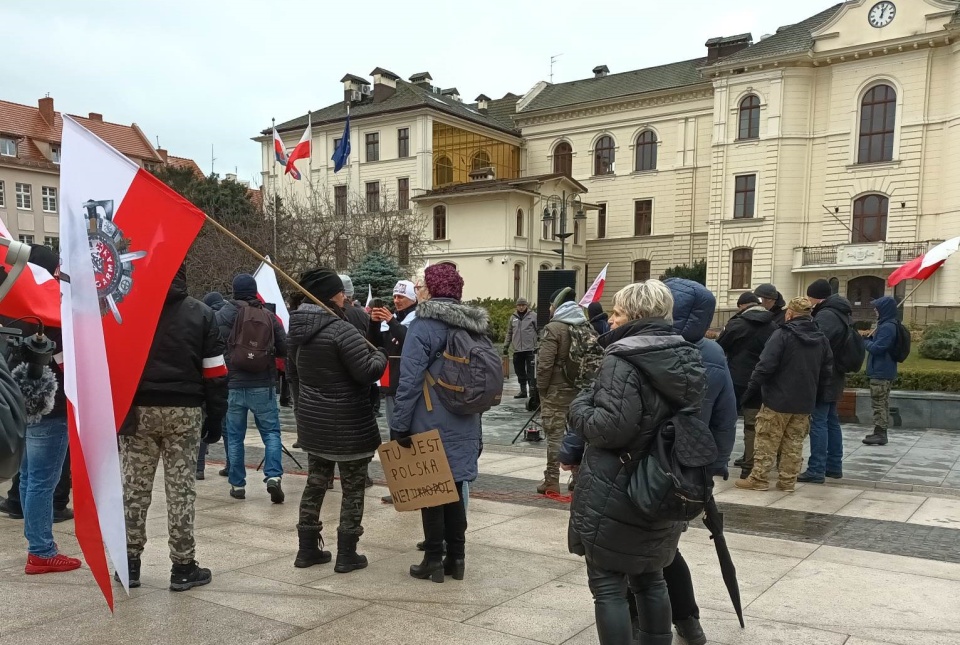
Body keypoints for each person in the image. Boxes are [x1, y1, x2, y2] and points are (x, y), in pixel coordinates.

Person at [565, 280, 705, 645]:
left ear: (636, 315)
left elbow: (609, 429)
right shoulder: (686, 354)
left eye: (617, 312)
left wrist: (579, 406)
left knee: (608, 585)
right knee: (650, 576)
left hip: (619, 486)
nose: (610, 320)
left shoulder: (622, 359)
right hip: (661, 482)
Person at [118, 265, 228, 590]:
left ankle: (130, 564)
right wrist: (216, 420)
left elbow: (116, 362)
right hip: (186, 410)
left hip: (139, 411)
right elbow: (216, 373)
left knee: (134, 489)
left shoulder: (131, 310)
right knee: (181, 490)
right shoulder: (203, 314)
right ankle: (183, 566)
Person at [286, 268, 386, 573]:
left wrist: (303, 411)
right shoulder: (341, 331)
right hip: (349, 425)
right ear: (331, 296)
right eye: (340, 292)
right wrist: (380, 356)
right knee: (353, 488)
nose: (345, 296)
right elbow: (366, 373)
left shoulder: (297, 330)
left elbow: (293, 376)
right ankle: (347, 554)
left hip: (314, 423)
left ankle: (306, 551)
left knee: (315, 484)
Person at [391, 263, 486, 583]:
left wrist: (399, 425)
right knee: (457, 488)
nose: (418, 292)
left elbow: (409, 379)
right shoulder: (474, 325)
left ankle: (432, 559)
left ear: (431, 290)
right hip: (466, 418)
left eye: (421, 287)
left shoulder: (423, 325)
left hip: (429, 419)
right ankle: (456, 560)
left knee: (431, 490)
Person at [2, 244, 78, 574]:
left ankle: (37, 541)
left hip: (22, 406)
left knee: (31, 476)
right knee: (42, 482)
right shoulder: (49, 314)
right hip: (51, 408)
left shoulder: (13, 309)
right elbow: (66, 365)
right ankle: (41, 549)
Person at [736, 297, 832, 493]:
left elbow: (765, 365)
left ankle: (759, 479)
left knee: (767, 440)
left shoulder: (782, 334)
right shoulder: (821, 339)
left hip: (777, 399)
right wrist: (816, 395)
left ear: (789, 314)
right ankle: (787, 482)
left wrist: (750, 391)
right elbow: (826, 372)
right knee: (794, 443)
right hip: (804, 402)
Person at [217, 274, 287, 502]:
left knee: (235, 437)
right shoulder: (267, 315)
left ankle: (237, 485)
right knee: (271, 433)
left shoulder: (223, 315)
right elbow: (284, 348)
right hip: (262, 384)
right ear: (254, 291)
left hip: (233, 384)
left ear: (234, 291)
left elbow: (212, 346)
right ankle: (274, 476)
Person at [717, 291, 777, 479]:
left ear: (742, 306)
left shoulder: (736, 325)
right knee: (752, 425)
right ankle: (748, 466)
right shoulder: (773, 326)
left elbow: (720, 346)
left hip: (734, 380)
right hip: (760, 381)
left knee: (725, 421)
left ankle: (720, 461)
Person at [798, 278, 853, 484]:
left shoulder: (827, 315)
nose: (808, 301)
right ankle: (833, 466)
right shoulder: (841, 312)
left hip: (825, 375)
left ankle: (817, 469)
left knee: (819, 422)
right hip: (836, 373)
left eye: (809, 297)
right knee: (831, 421)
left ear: (816, 297)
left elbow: (816, 341)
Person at [369, 280, 418, 505]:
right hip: (390, 384)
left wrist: (390, 320)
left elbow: (410, 342)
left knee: (406, 435)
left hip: (407, 385)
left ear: (412, 299)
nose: (397, 301)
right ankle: (399, 486)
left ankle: (413, 484)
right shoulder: (394, 320)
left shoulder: (416, 318)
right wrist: (374, 324)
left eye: (402, 297)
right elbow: (375, 344)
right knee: (394, 433)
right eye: (395, 297)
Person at [535, 287, 587, 495]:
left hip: (556, 390)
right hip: (582, 389)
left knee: (555, 435)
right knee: (578, 433)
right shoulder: (585, 326)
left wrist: (541, 388)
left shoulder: (554, 328)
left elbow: (545, 363)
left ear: (556, 305)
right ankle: (578, 478)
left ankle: (551, 480)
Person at [197, 291, 227, 480]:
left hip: (207, 376)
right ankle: (232, 466)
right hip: (230, 376)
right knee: (227, 427)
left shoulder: (206, 319)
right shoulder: (235, 316)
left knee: (203, 424)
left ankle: (199, 467)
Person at [863, 296, 899, 446]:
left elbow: (879, 348)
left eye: (877, 308)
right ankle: (879, 430)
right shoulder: (886, 324)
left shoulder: (887, 327)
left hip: (881, 370)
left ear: (884, 310)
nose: (875, 311)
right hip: (883, 369)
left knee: (879, 403)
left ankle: (880, 433)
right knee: (881, 402)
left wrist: (864, 342)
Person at [505, 297, 538, 399]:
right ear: (516, 306)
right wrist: (506, 345)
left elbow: (539, 331)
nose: (521, 307)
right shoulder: (513, 317)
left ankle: (532, 392)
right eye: (519, 305)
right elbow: (509, 332)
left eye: (523, 305)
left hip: (530, 349)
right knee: (519, 371)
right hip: (518, 349)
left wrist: (539, 344)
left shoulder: (533, 316)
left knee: (531, 372)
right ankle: (523, 391)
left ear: (526, 306)